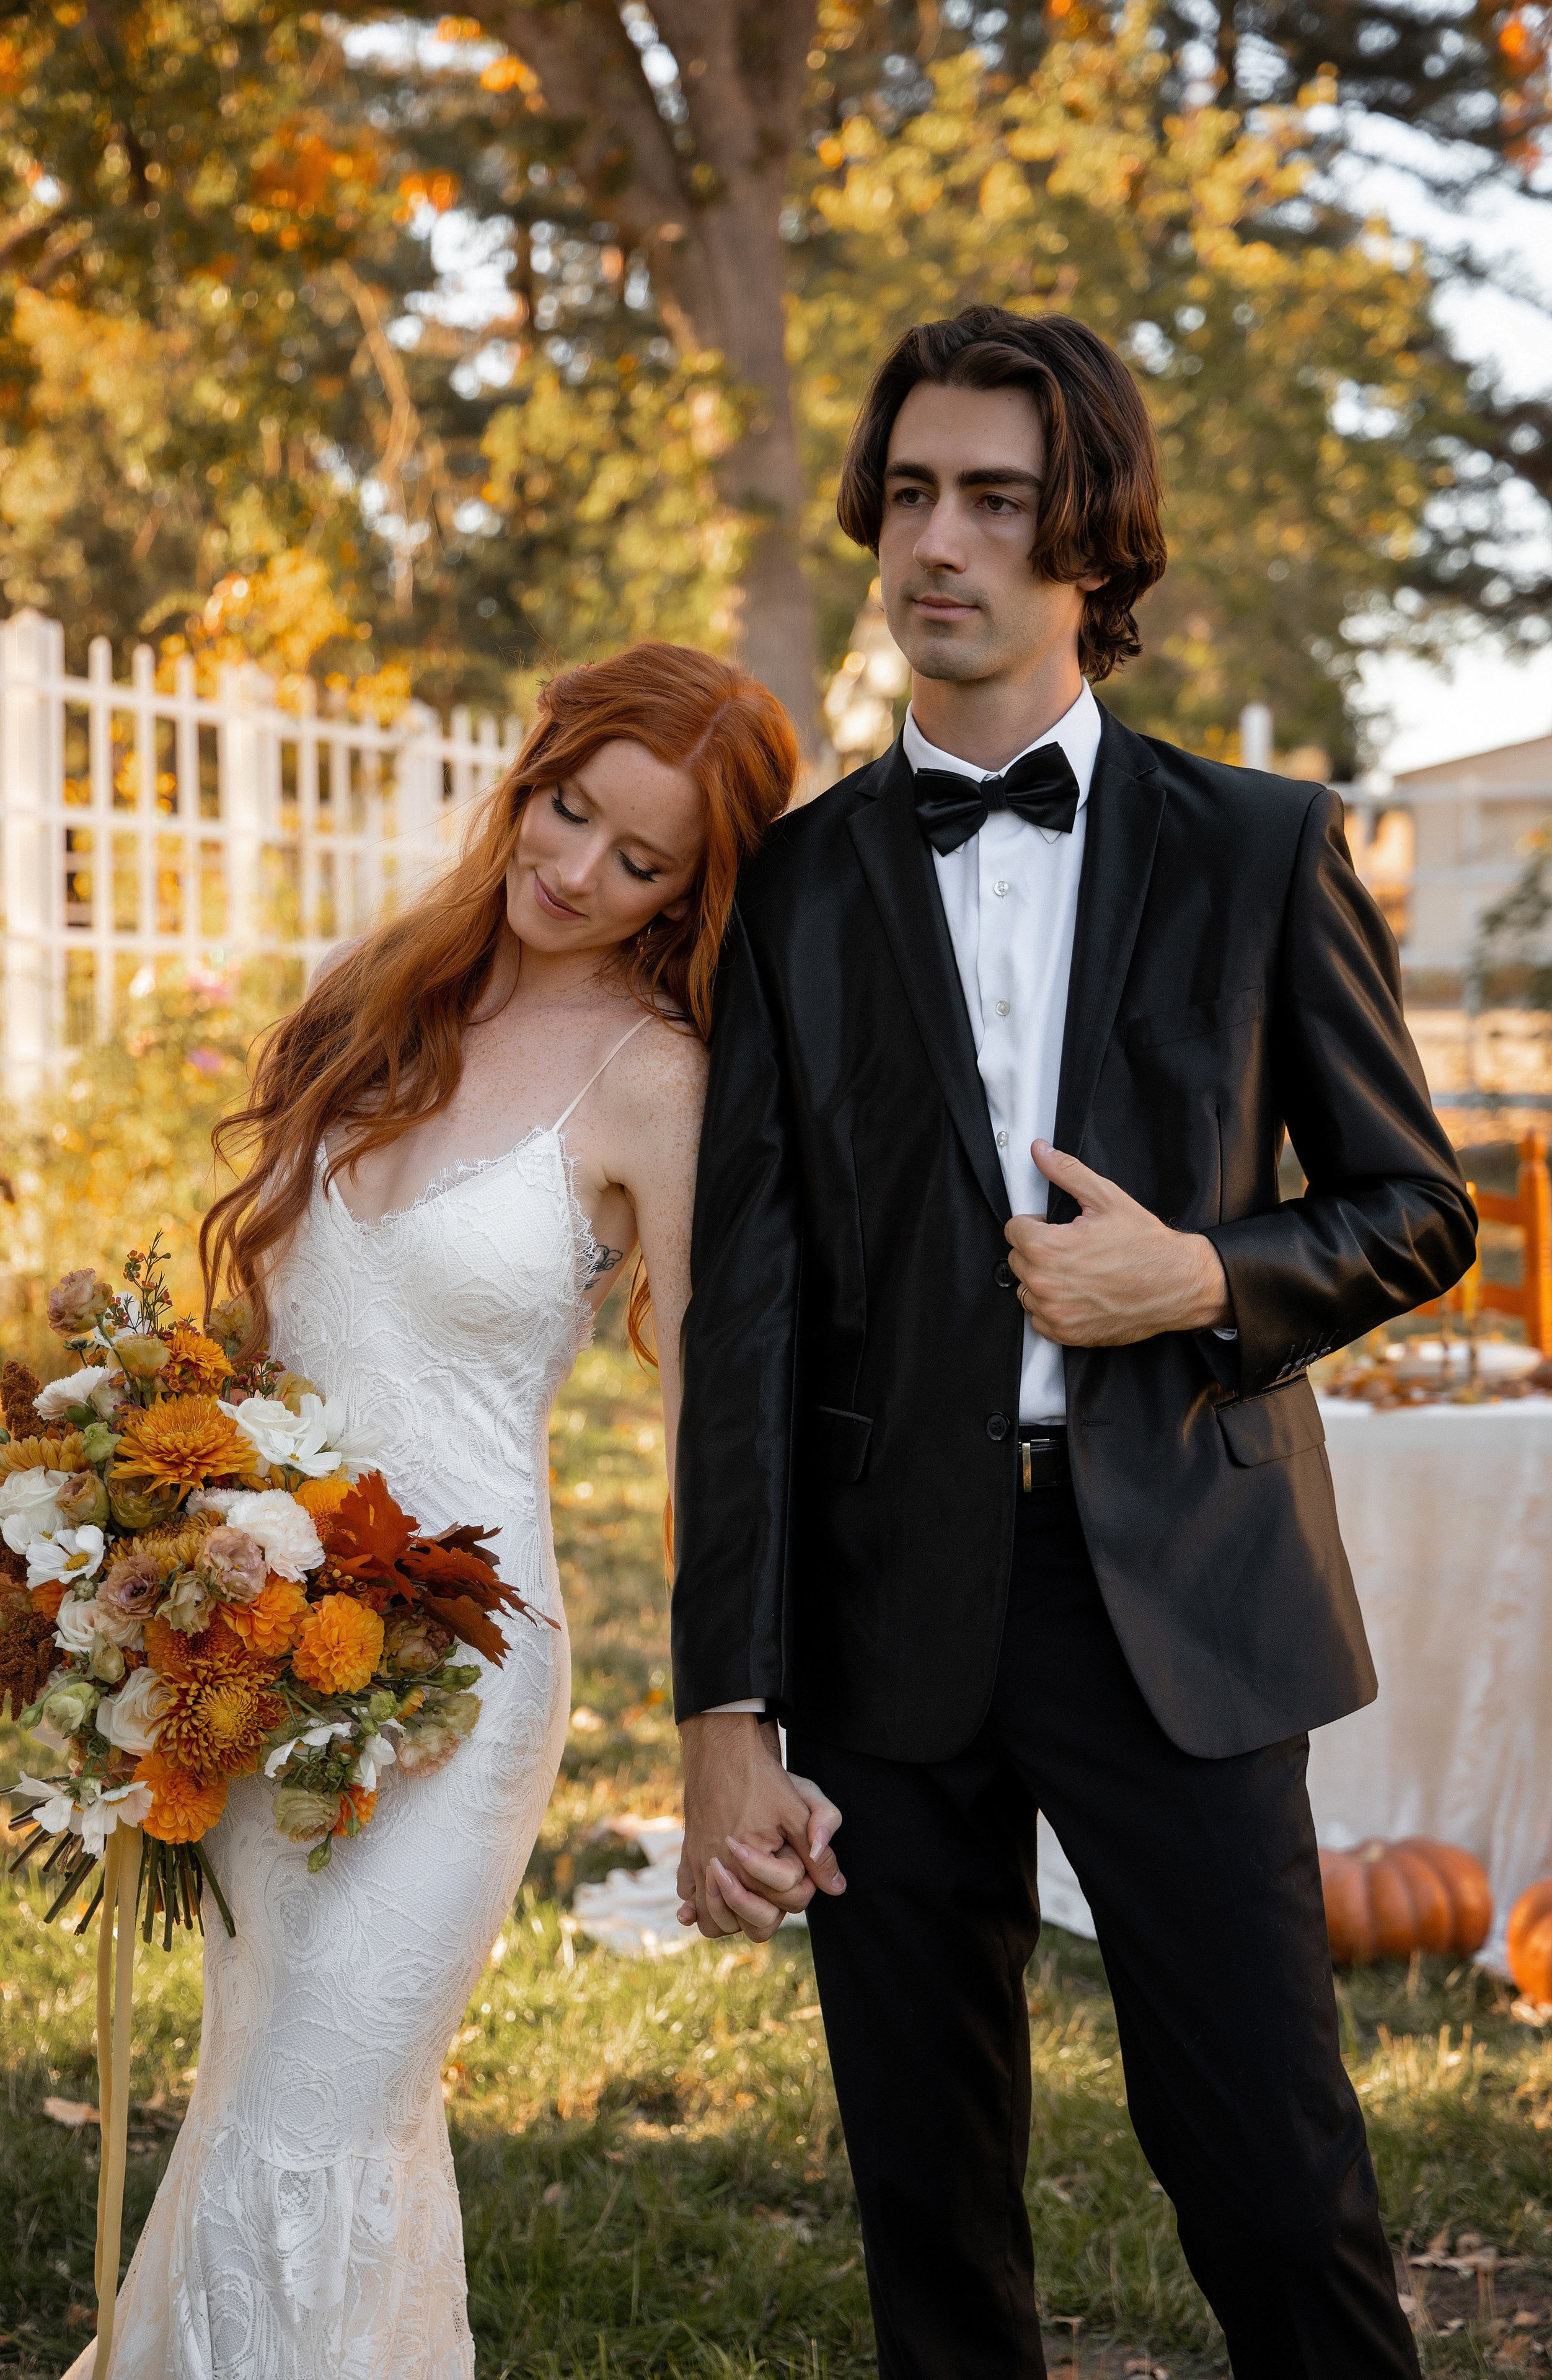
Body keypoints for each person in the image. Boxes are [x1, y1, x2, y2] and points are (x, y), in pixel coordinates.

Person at [670, 307, 1476, 2379]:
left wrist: (1197, 1279)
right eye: (913, 494)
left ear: (1091, 547)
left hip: (1182, 1597)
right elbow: (747, 1318)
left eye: (998, 502)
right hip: (884, 1613)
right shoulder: (793, 888)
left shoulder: (1263, 848)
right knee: (926, 2206)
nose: (937, 542)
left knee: (1276, 2178)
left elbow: (1416, 1211)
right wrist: (724, 1706)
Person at [63, 642, 798, 2380]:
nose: (579, 872)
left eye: (643, 863)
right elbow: (260, 1341)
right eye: (571, 812)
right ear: (533, 772)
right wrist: (133, 1555)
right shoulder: (375, 987)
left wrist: (734, 1717)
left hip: (457, 1679)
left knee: (325, 2098)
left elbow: (714, 1421)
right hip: (258, 1639)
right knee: (258, 2088)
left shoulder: (658, 1080)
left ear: (695, 893)